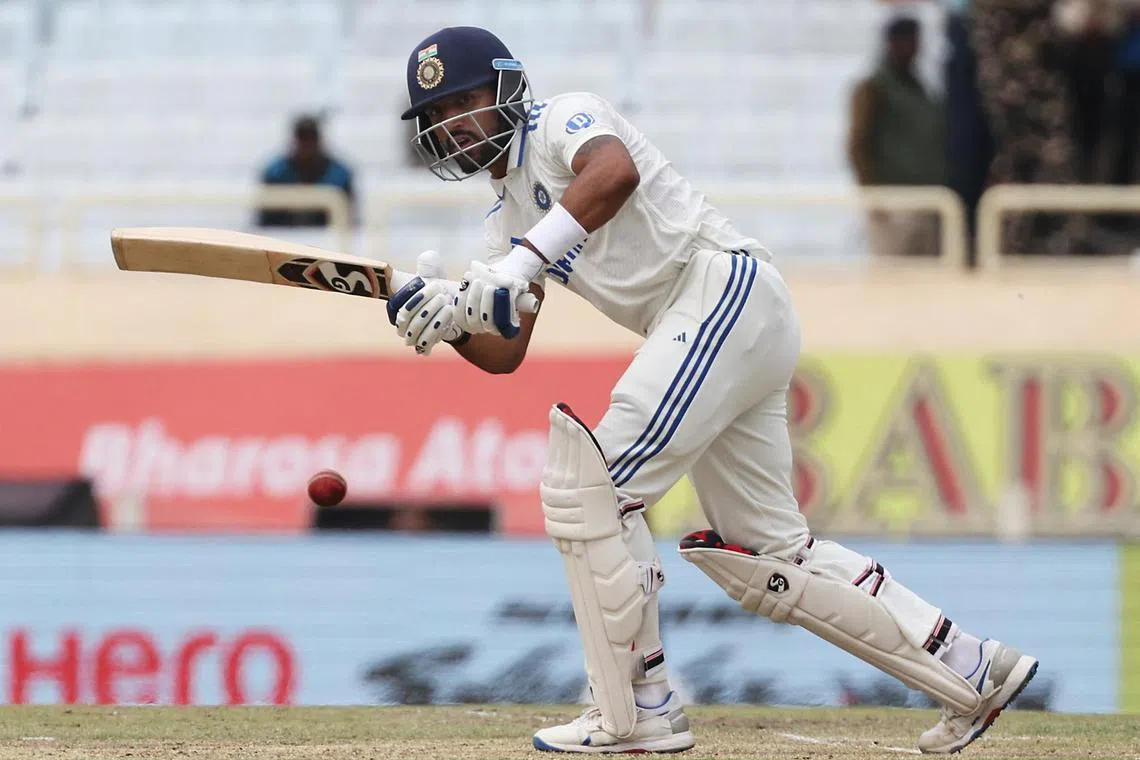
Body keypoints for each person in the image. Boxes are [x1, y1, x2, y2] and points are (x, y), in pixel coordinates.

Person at [386, 25, 1038, 755]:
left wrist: (520, 264)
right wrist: (444, 319)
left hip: (720, 287)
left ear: (506, 88)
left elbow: (612, 172)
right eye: (438, 116)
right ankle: (974, 667)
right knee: (765, 554)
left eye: (465, 100)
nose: (454, 123)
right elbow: (507, 349)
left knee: (594, 485)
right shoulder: (504, 220)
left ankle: (638, 708)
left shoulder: (562, 119)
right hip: (723, 322)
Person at [847, 16, 947, 258]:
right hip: (893, 204)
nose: (911, 47)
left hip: (927, 201)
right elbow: (858, 144)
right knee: (893, 280)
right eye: (905, 40)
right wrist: (874, 197)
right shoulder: (874, 88)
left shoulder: (919, 88)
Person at [256, 115, 356, 227]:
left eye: (311, 139)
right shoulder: (275, 173)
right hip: (282, 238)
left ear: (319, 140)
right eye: (302, 139)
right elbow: (265, 221)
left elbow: (349, 219)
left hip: (328, 240)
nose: (307, 146)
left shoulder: (339, 174)